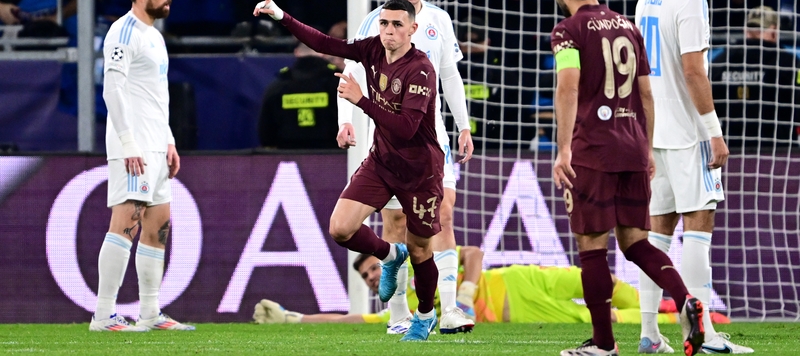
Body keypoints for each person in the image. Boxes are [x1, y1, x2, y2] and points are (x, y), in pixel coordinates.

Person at [255, 0, 443, 342]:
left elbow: (406, 128)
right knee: (340, 228)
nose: (388, 30)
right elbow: (327, 43)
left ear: (412, 30)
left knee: (422, 250)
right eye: (384, 23)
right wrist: (281, 16)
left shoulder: (421, 70)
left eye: (396, 25)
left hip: (420, 171)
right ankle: (389, 254)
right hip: (382, 162)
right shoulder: (372, 48)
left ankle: (425, 314)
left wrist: (361, 101)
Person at [548, 0, 704, 356]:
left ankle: (604, 344)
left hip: (592, 152)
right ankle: (687, 300)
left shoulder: (568, 30)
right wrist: (646, 147)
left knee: (592, 246)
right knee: (635, 243)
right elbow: (647, 94)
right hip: (633, 146)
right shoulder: (628, 27)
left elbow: (568, 87)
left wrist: (563, 149)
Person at [336, 0, 475, 335]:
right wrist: (345, 121)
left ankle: (449, 311)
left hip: (432, 140)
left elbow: (450, 77)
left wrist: (463, 125)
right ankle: (399, 316)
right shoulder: (375, 23)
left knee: (443, 216)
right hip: (390, 143)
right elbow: (348, 74)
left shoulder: (439, 21)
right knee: (394, 223)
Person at [634, 0, 755, 354]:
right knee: (700, 222)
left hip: (652, 130)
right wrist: (714, 133)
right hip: (687, 132)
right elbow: (692, 70)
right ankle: (705, 334)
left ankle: (649, 334)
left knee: (658, 232)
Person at [253, 246, 729, 327]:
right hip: (519, 317)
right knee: (603, 319)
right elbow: (357, 320)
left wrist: (465, 293)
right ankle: (679, 317)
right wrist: (296, 317)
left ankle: (670, 305)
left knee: (600, 281)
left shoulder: (418, 263)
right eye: (366, 278)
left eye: (373, 269)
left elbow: (474, 255)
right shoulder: (400, 307)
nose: (373, 277)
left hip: (516, 282)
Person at [90, 0, 194, 332]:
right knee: (126, 224)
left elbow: (154, 96)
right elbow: (112, 89)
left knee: (158, 226)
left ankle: (150, 312)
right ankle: (103, 314)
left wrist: (169, 140)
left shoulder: (154, 35)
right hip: (131, 146)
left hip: (155, 145)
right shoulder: (123, 31)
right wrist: (129, 143)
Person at [711, 5, 800, 150]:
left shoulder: (720, 62)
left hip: (731, 149)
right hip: (780, 151)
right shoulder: (789, 63)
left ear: (745, 30)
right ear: (774, 30)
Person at [257, 42, 341, 149]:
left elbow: (265, 134)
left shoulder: (277, 86)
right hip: (333, 159)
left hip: (288, 160)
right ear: (324, 53)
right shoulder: (337, 84)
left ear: (296, 52)